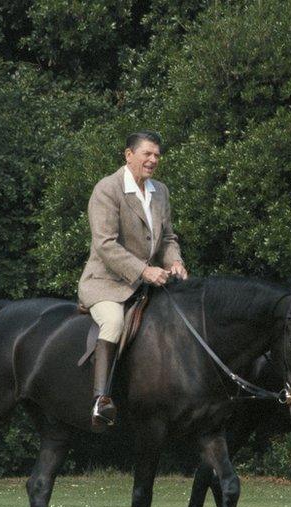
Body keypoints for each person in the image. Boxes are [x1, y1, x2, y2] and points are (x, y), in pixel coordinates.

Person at [78, 131, 188, 429]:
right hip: (106, 282)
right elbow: (105, 244)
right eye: (147, 154)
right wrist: (143, 270)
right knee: (113, 322)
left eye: (157, 155)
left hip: (148, 282)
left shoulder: (160, 191)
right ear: (129, 155)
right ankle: (101, 400)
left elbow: (167, 238)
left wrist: (174, 261)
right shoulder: (107, 189)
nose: (153, 160)